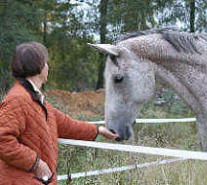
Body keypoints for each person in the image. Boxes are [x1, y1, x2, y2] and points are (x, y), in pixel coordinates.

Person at [0, 42, 118, 185]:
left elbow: (68, 126)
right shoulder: (17, 99)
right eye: (46, 62)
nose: (48, 67)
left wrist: (98, 130)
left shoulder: (38, 101)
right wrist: (36, 164)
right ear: (39, 66)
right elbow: (3, 141)